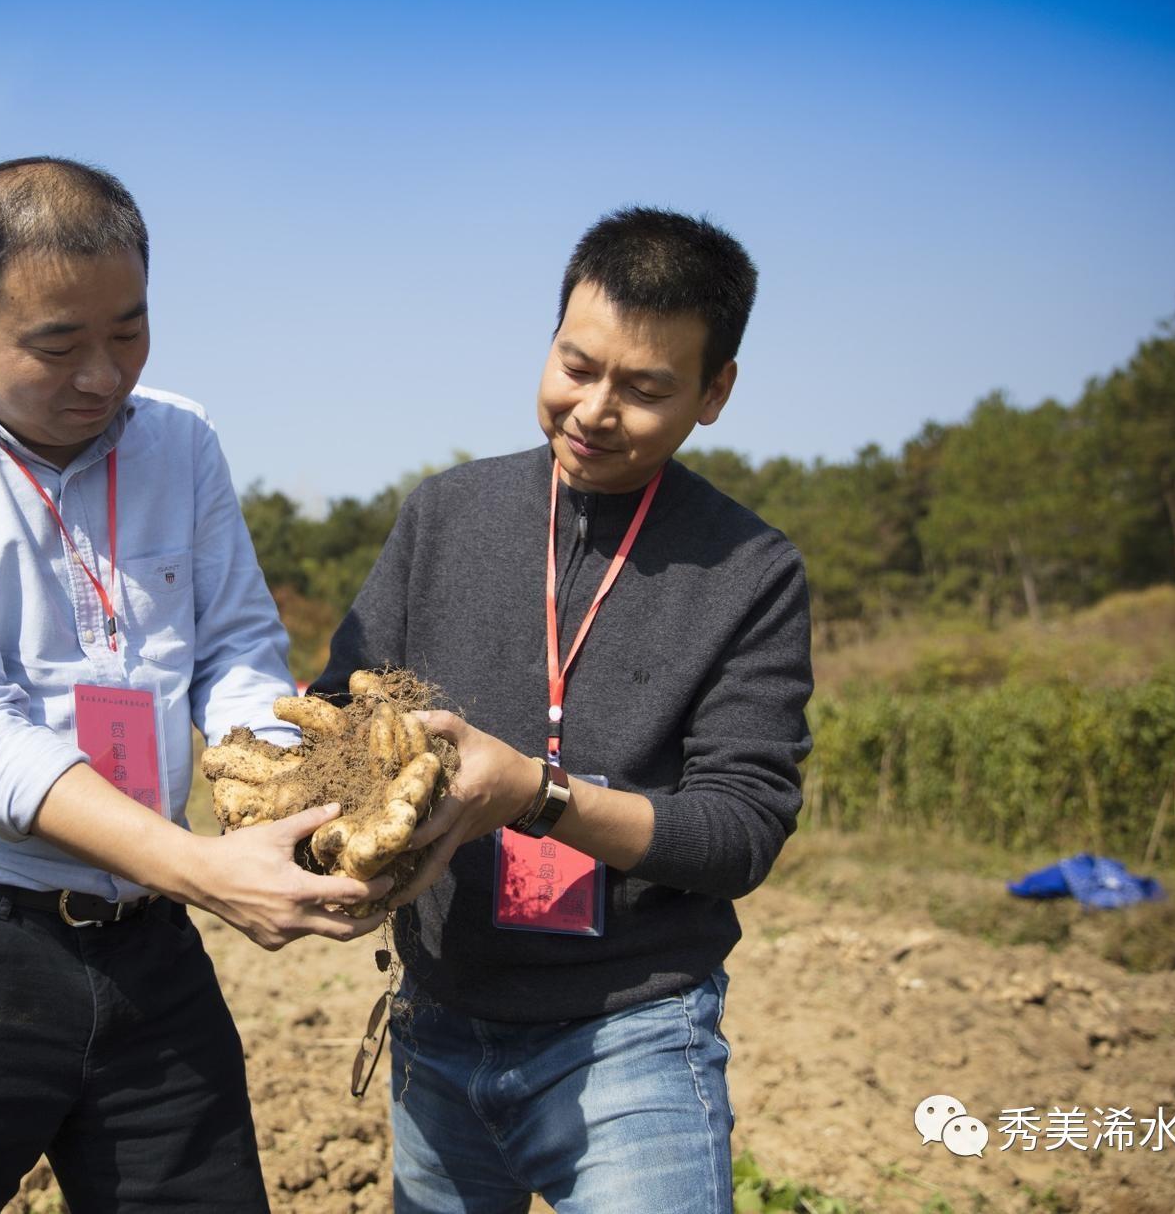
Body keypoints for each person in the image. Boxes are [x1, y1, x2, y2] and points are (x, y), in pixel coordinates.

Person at [0, 157, 389, 1213]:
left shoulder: (182, 440)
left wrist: (300, 778)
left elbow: (237, 652)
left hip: (142, 942)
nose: (104, 375)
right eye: (58, 344)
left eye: (128, 330)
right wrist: (200, 868)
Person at [314, 207, 813, 1213]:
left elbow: (740, 831)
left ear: (713, 392)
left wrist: (536, 796)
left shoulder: (751, 571)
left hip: (629, 1036)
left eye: (643, 389)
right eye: (574, 366)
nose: (592, 409)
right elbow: (339, 704)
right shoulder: (446, 514)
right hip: (438, 1022)